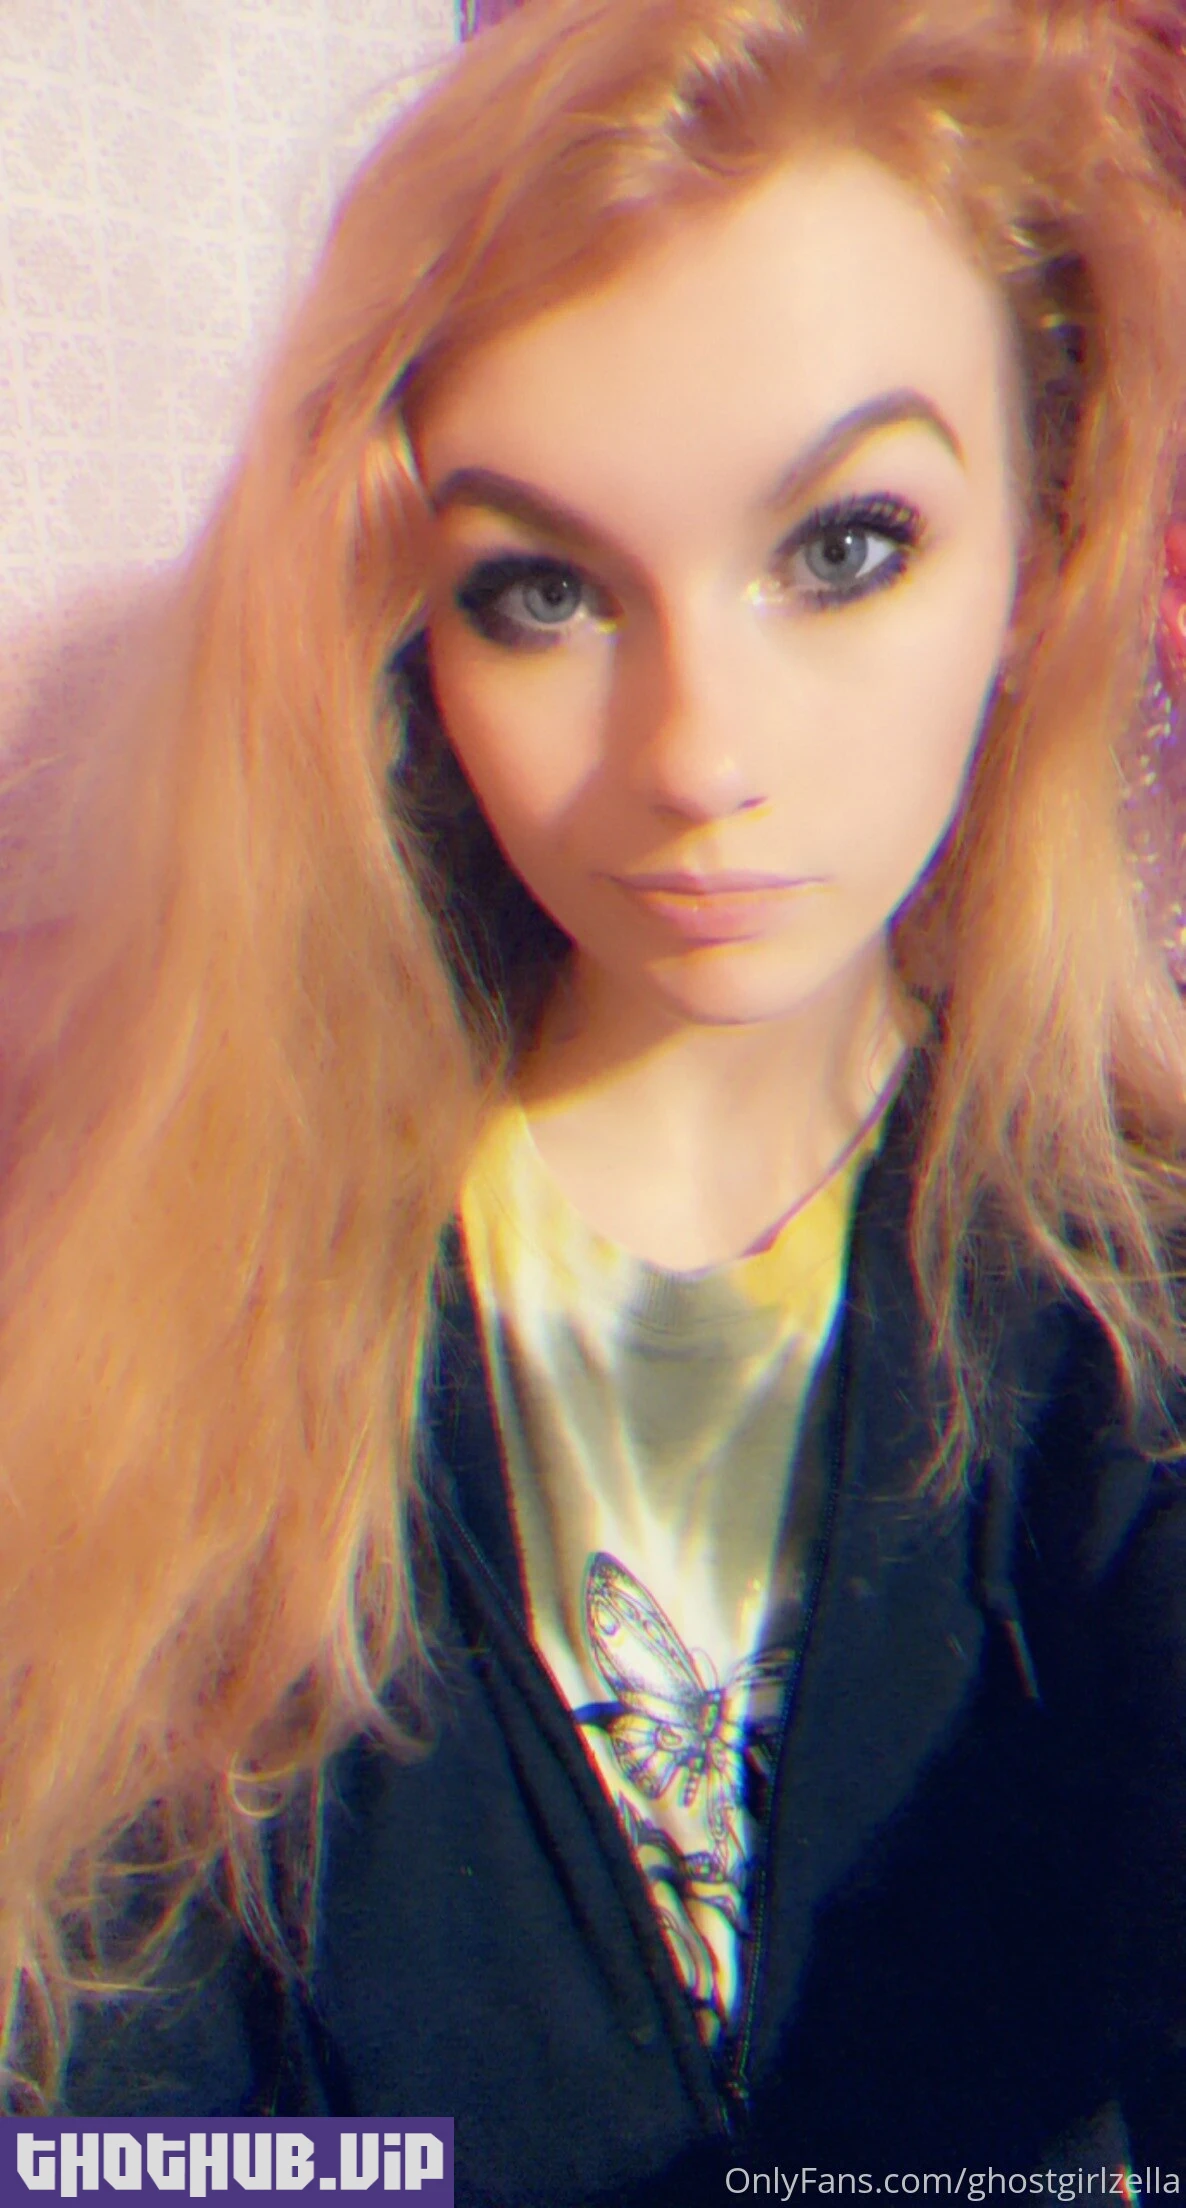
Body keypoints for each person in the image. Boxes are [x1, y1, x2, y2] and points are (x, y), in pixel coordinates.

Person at [1, 0, 1185, 2194]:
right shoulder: (188, 1333)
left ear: (1044, 547)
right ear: (402, 633)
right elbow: (95, 2139)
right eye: (539, 592)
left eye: (843, 548)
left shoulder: (1129, 1315)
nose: (693, 756)